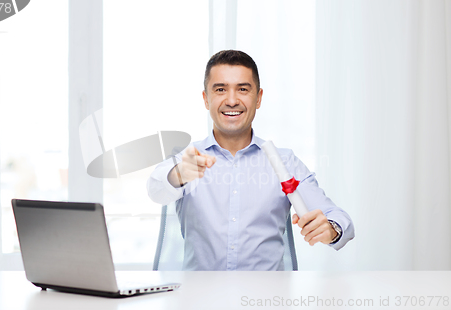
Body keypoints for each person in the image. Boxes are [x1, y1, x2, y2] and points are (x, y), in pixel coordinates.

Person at [147, 50, 354, 271]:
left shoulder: (284, 162)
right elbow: (156, 189)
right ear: (206, 99)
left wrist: (331, 229)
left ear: (259, 98)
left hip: (266, 301)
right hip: (200, 300)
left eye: (243, 89)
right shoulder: (188, 160)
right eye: (220, 90)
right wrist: (178, 174)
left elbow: (341, 221)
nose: (232, 100)